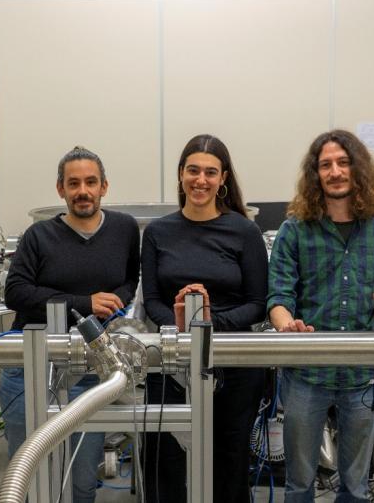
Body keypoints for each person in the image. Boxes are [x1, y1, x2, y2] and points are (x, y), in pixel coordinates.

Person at [267, 129, 374, 503]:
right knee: (299, 483)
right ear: (315, 174)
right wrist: (286, 324)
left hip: (363, 373)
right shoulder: (294, 230)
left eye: (343, 163)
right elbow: (278, 295)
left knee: (357, 485)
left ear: (357, 168)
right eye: (325, 164)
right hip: (306, 373)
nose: (335, 171)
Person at [1, 146, 140, 503]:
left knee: (81, 480)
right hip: (29, 371)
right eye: (73, 183)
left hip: (89, 374)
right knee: (27, 474)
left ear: (104, 186)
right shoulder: (38, 237)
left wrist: (116, 303)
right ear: (60, 189)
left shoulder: (124, 229)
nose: (83, 190)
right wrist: (85, 304)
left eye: (91, 182)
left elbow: (129, 280)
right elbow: (16, 293)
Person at [141, 134, 269, 503]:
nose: (201, 180)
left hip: (234, 363)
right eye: (193, 170)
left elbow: (257, 304)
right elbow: (151, 301)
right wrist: (182, 325)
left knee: (229, 460)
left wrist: (208, 323)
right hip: (171, 362)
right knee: (165, 458)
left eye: (210, 172)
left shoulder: (244, 231)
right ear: (180, 174)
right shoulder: (158, 232)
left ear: (223, 178)